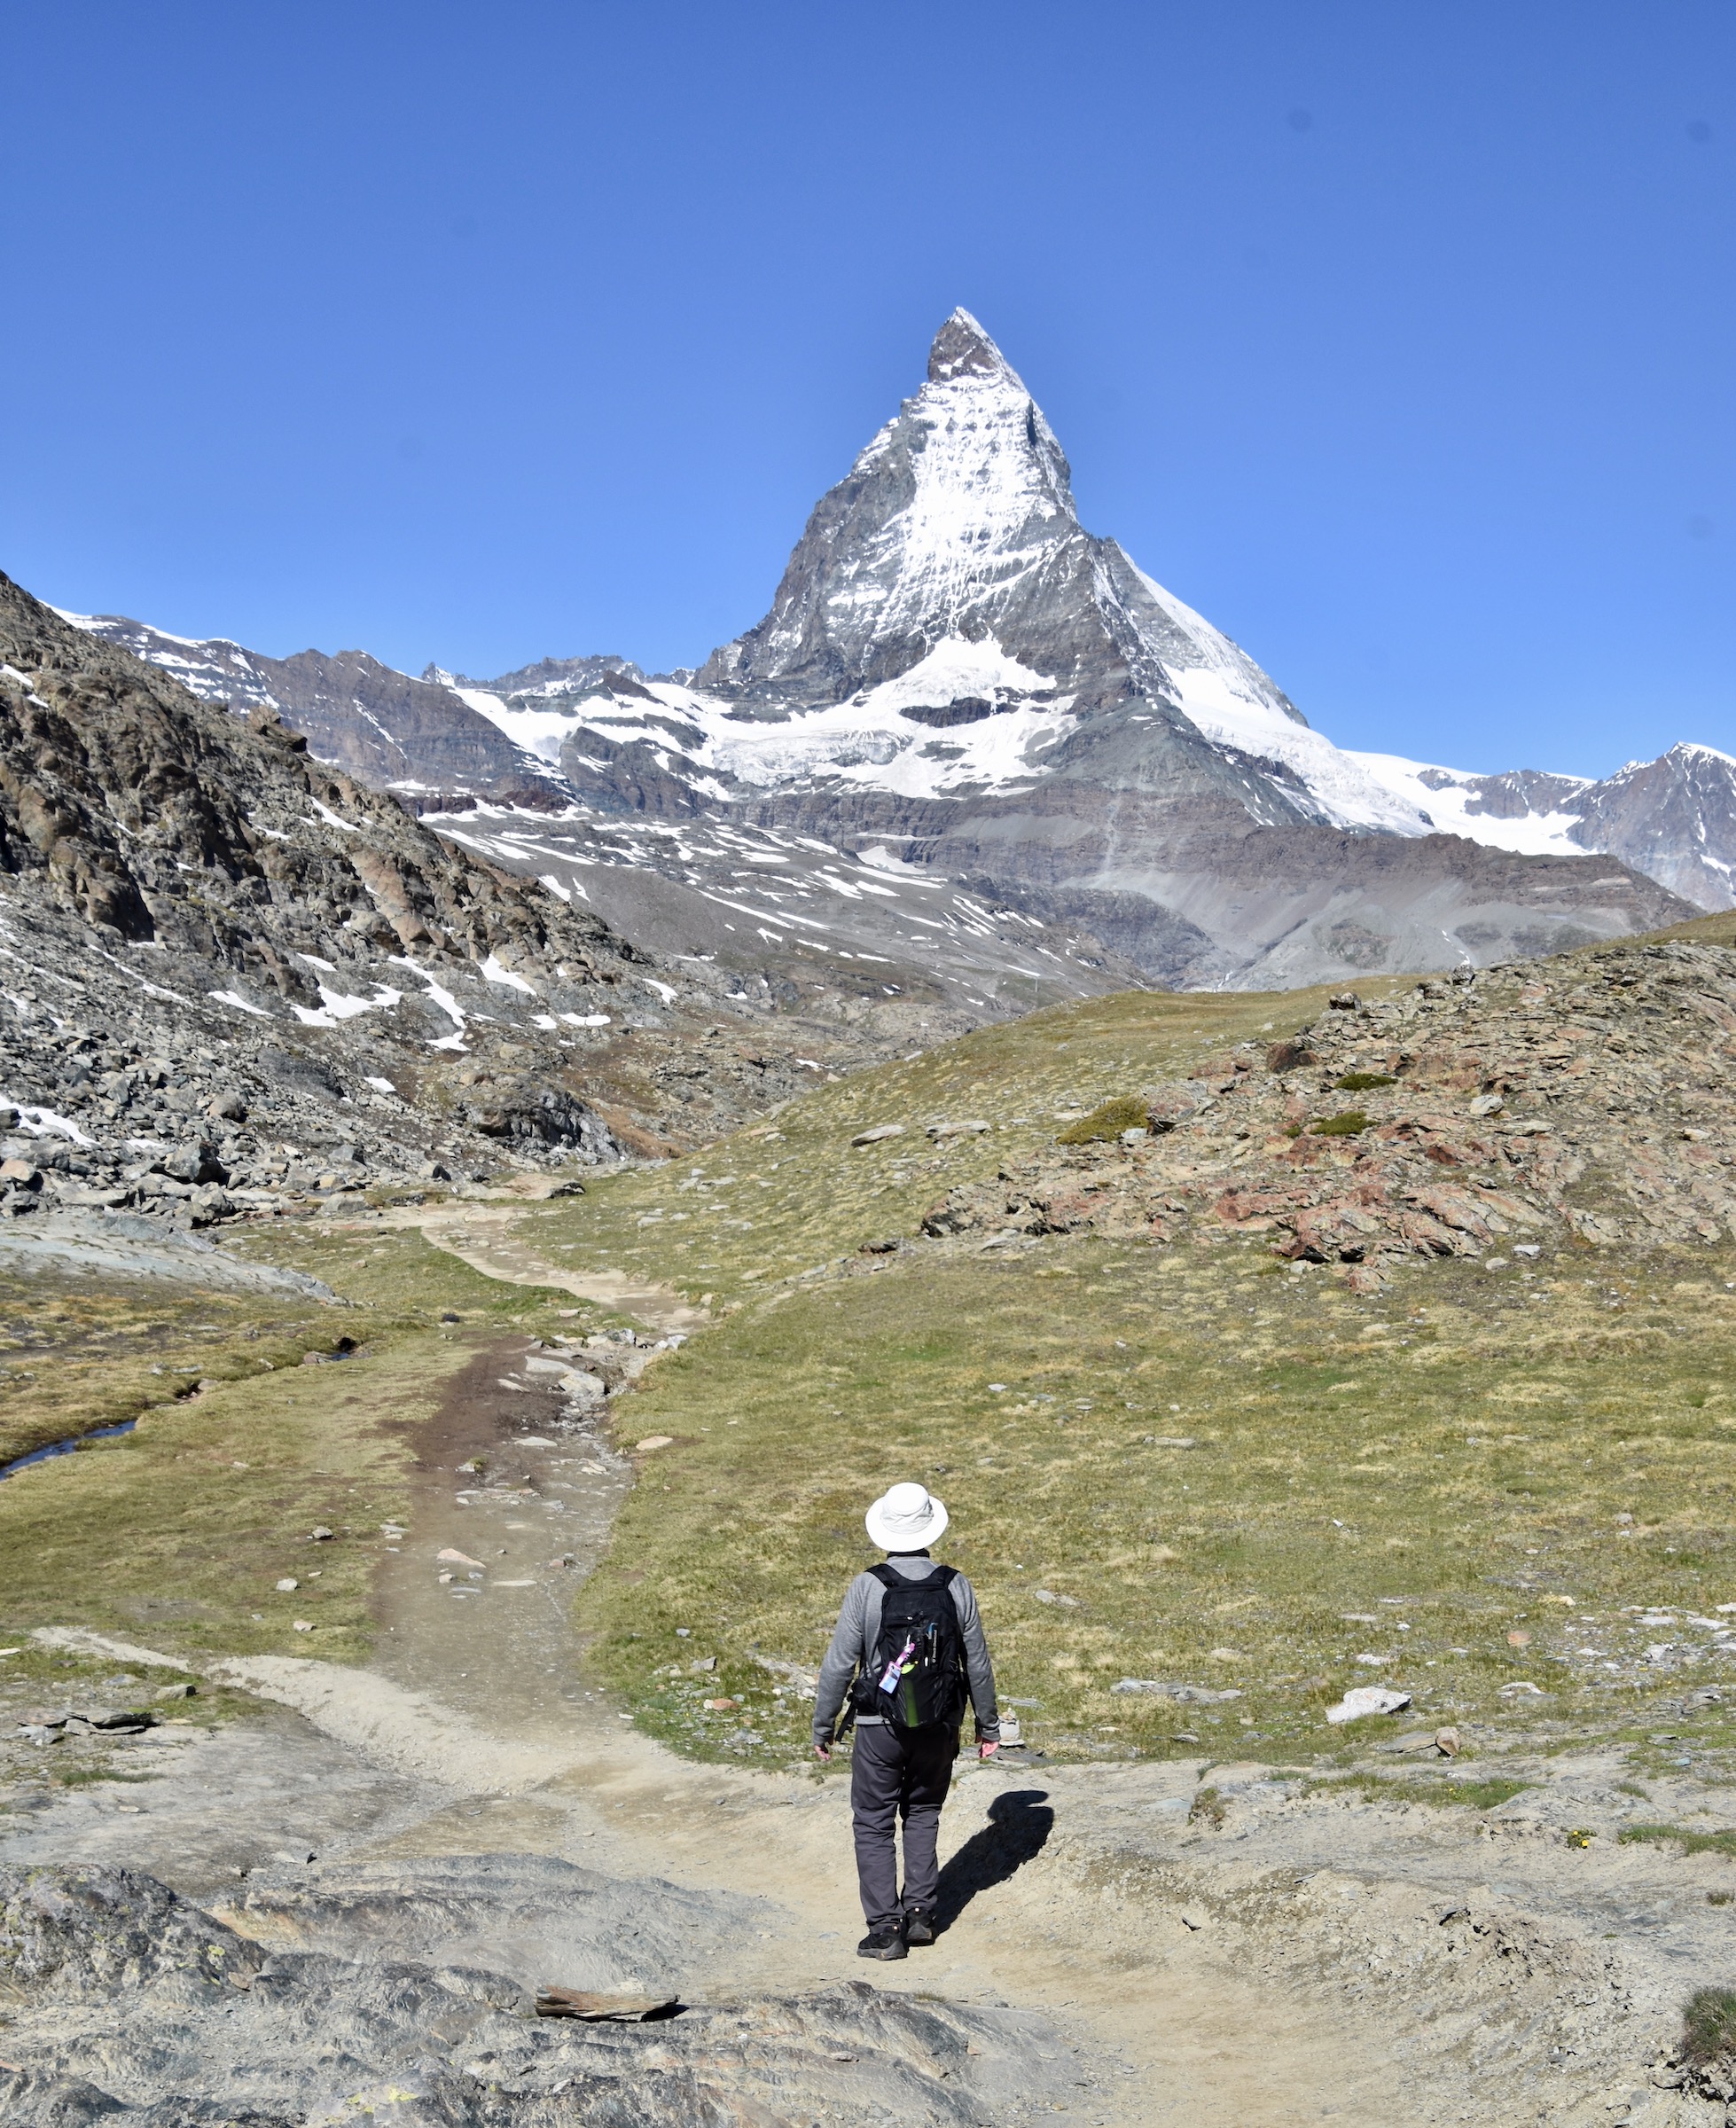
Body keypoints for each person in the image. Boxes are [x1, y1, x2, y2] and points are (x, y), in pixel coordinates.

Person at [812, 1481, 1000, 1960]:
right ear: (929, 1526)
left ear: (885, 1530)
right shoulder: (955, 1584)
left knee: (874, 1822)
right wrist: (988, 1726)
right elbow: (976, 1662)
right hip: (939, 1722)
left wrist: (823, 1726)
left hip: (879, 1726)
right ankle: (920, 1914)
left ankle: (884, 1930)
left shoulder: (868, 1585)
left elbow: (839, 1663)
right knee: (923, 1813)